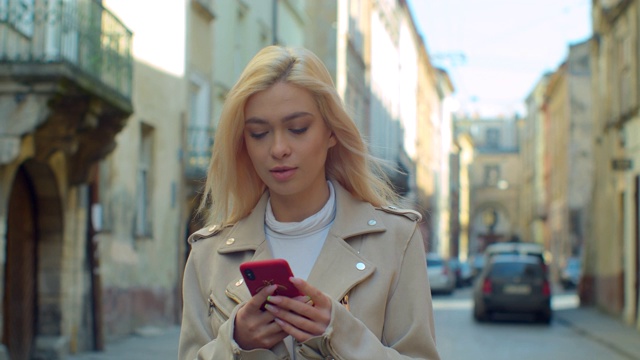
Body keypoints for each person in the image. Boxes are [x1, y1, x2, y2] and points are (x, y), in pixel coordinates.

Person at [178, 45, 440, 360]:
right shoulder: (208, 254)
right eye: (259, 133)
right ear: (242, 142)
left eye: (298, 128)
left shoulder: (396, 239)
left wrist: (341, 334)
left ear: (331, 131)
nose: (278, 148)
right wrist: (235, 343)